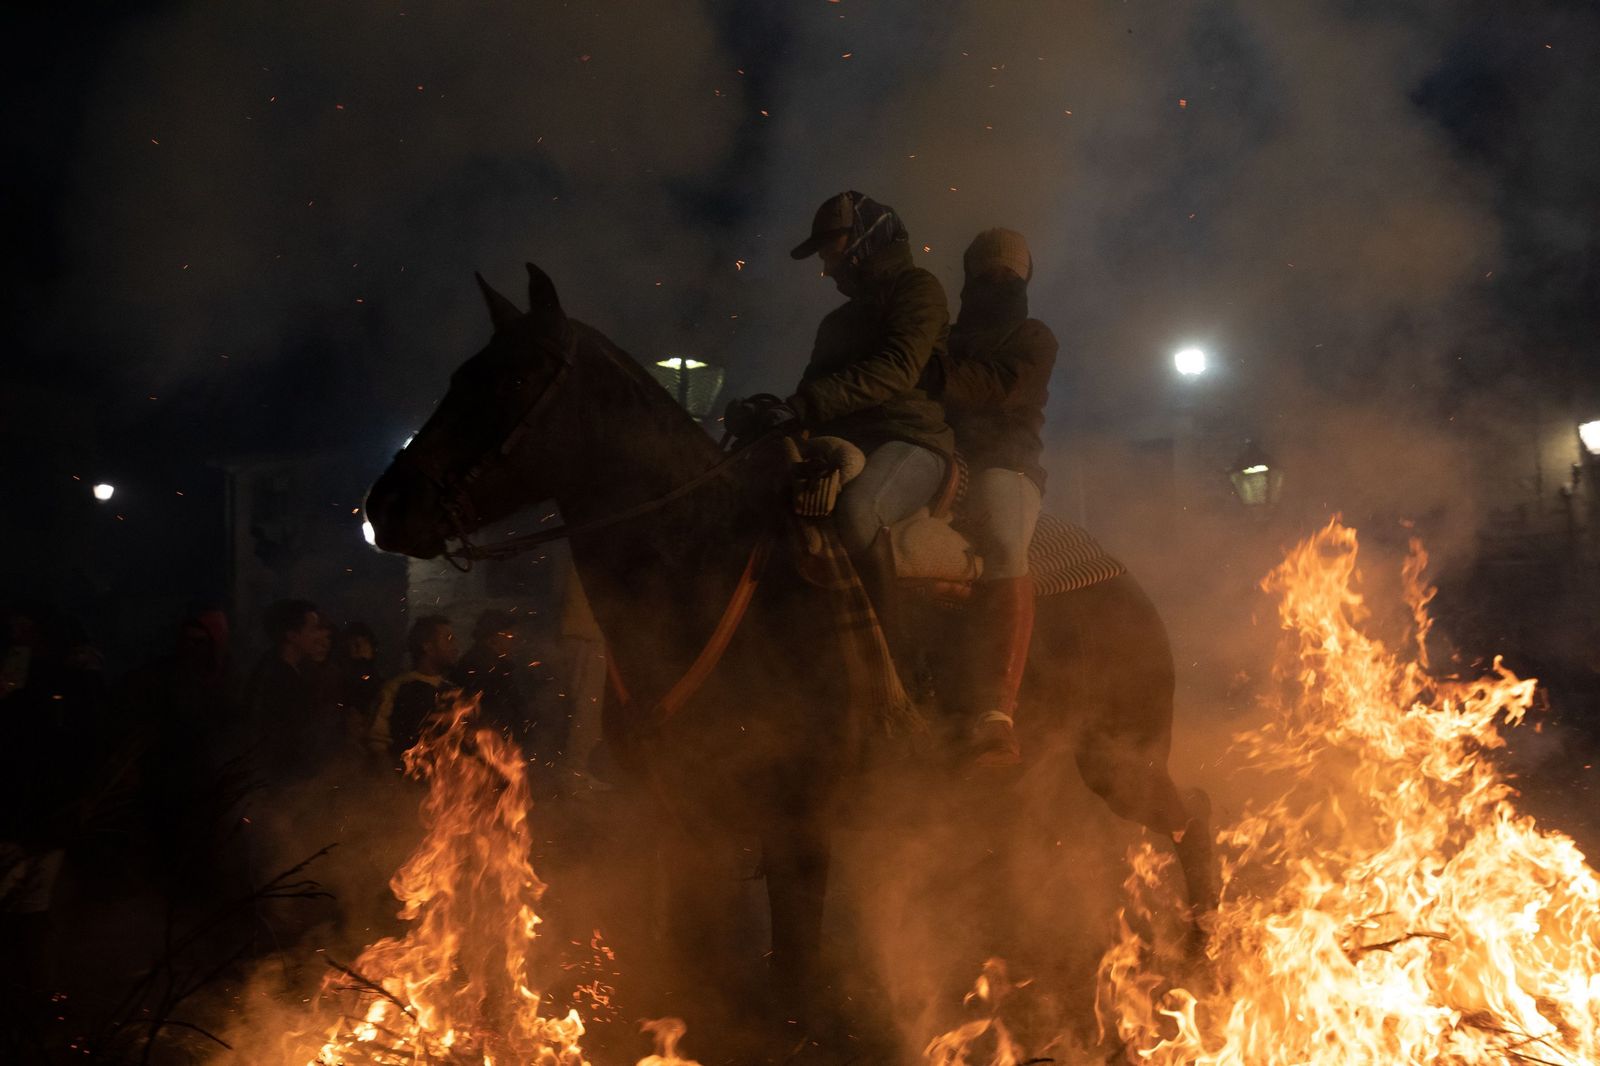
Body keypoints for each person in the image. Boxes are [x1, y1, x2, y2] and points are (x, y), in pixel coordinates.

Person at [938, 228, 1057, 766]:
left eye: (1007, 274)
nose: (997, 281)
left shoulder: (1034, 337)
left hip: (1007, 462)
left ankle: (997, 711)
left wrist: (929, 372)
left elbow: (997, 388)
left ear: (1023, 280)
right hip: (941, 458)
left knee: (1007, 546)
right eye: (987, 273)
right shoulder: (944, 339)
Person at [241, 599, 339, 783]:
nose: (319, 636)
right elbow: (269, 737)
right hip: (277, 782)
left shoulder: (297, 672)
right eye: (313, 629)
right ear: (292, 635)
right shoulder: (272, 678)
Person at [370, 615, 459, 766]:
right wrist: (391, 783)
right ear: (428, 647)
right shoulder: (397, 688)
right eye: (448, 639)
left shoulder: (452, 691)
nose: (455, 647)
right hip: (409, 780)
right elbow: (378, 743)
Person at [451, 609, 532, 754]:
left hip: (494, 745)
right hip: (486, 747)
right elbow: (493, 710)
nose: (514, 641)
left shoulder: (496, 666)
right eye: (509, 635)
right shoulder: (482, 667)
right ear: (492, 639)